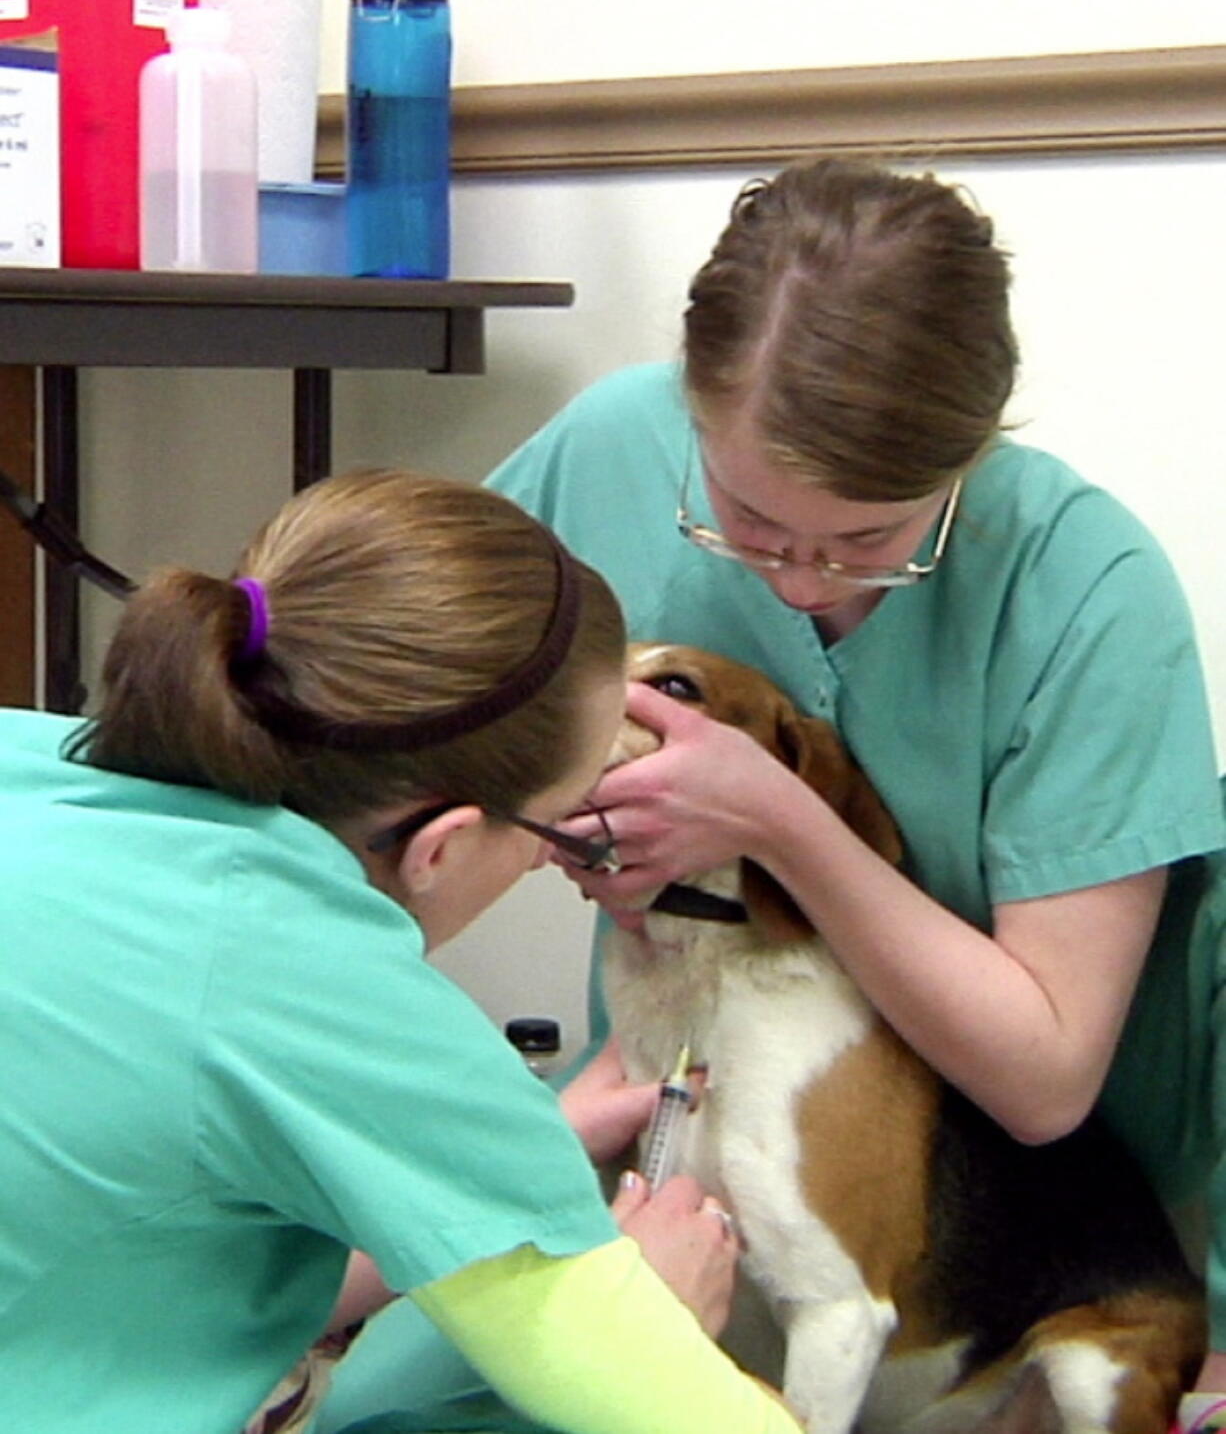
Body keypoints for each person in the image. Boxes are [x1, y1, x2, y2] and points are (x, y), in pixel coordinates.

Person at [482, 158, 1226, 1432]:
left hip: (1020, 1237)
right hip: (686, 1148)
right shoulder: (609, 450)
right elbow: (408, 714)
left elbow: (1042, 1080)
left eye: (873, 540)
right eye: (746, 525)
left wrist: (779, 819)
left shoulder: (1086, 588)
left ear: (971, 453)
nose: (797, 586)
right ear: (688, 415)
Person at [0, 467, 805, 1434]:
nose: (563, 866)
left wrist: (492, 1166)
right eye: (562, 829)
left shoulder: (36, 762)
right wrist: (647, 1315)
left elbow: (143, 1231)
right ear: (443, 843)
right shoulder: (303, 971)